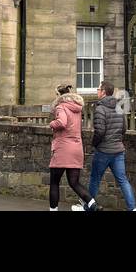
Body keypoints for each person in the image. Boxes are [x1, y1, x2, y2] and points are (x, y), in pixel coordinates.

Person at [89, 80, 136, 211]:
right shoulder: (119, 108)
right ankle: (132, 209)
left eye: (98, 89)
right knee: (123, 180)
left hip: (104, 150)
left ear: (104, 92)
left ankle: (87, 207)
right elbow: (124, 129)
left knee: (95, 179)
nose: (97, 91)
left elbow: (99, 132)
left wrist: (94, 144)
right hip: (118, 150)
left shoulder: (100, 109)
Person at [48, 84, 96, 212]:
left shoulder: (61, 107)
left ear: (59, 95)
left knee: (54, 183)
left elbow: (62, 123)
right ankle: (92, 204)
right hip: (76, 148)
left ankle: (53, 210)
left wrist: (52, 124)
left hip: (63, 149)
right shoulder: (77, 108)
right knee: (74, 182)